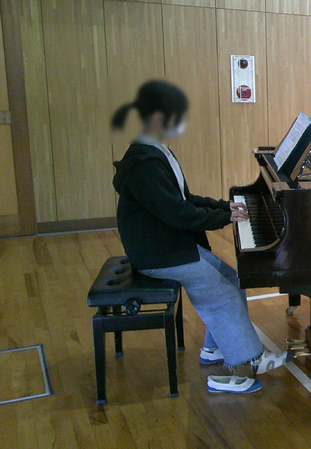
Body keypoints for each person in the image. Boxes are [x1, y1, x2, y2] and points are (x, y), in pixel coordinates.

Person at [111, 80, 296, 394]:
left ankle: (214, 349)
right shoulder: (144, 164)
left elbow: (185, 199)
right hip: (158, 254)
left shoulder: (156, 151)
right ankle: (248, 362)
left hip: (168, 243)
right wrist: (224, 218)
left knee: (233, 277)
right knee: (222, 295)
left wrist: (224, 207)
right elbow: (178, 214)